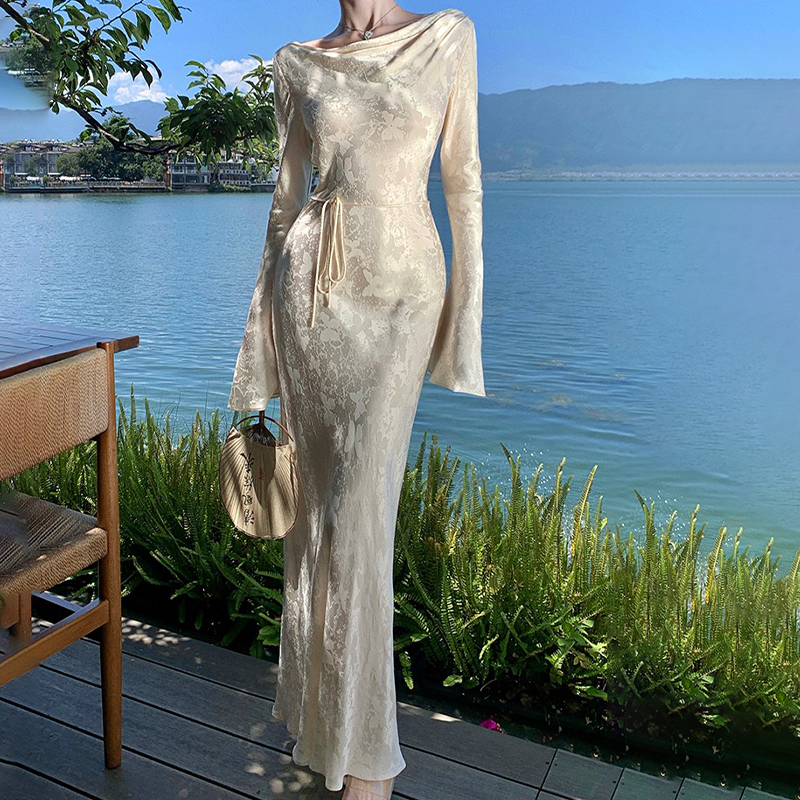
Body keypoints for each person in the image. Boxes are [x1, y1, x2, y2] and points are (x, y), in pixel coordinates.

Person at [227, 2, 486, 797]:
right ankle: (324, 728)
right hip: (311, 292)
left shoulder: (447, 35)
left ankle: (368, 759)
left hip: (403, 291)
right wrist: (257, 357)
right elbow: (285, 201)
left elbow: (463, 182)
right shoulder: (296, 61)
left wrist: (463, 329)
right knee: (316, 518)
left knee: (362, 512)